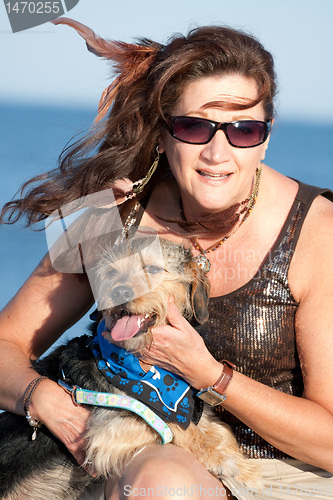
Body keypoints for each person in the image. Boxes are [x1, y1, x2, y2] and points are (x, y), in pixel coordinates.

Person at [1, 17, 333, 500]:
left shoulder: (317, 232)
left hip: (277, 473)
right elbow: (7, 342)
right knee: (163, 483)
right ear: (162, 134)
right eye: (195, 126)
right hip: (140, 457)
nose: (218, 153)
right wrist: (43, 398)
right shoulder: (113, 214)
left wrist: (210, 376)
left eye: (243, 129)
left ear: (266, 136)